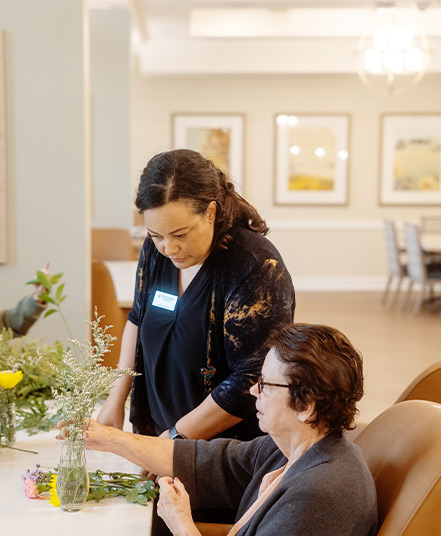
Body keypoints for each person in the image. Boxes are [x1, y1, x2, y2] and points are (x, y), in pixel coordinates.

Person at [78, 323, 378, 536]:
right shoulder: (291, 449)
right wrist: (107, 437)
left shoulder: (316, 496)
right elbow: (207, 461)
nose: (253, 390)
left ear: (306, 406)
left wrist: (180, 524)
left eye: (266, 385)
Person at [97, 148, 295, 443]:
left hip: (225, 450)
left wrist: (177, 438)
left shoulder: (254, 266)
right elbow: (137, 319)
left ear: (211, 212)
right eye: (156, 235)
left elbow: (251, 379)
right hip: (158, 434)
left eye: (180, 234)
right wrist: (115, 401)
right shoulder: (157, 250)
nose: (169, 248)